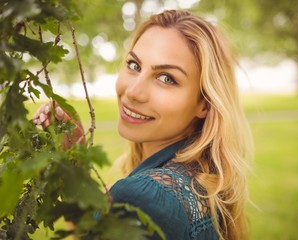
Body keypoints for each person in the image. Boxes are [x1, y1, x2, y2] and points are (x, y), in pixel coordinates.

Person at [33, 9, 253, 240]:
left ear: (205, 104)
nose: (133, 92)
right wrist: (75, 163)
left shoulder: (141, 199)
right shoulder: (202, 181)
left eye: (167, 78)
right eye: (134, 65)